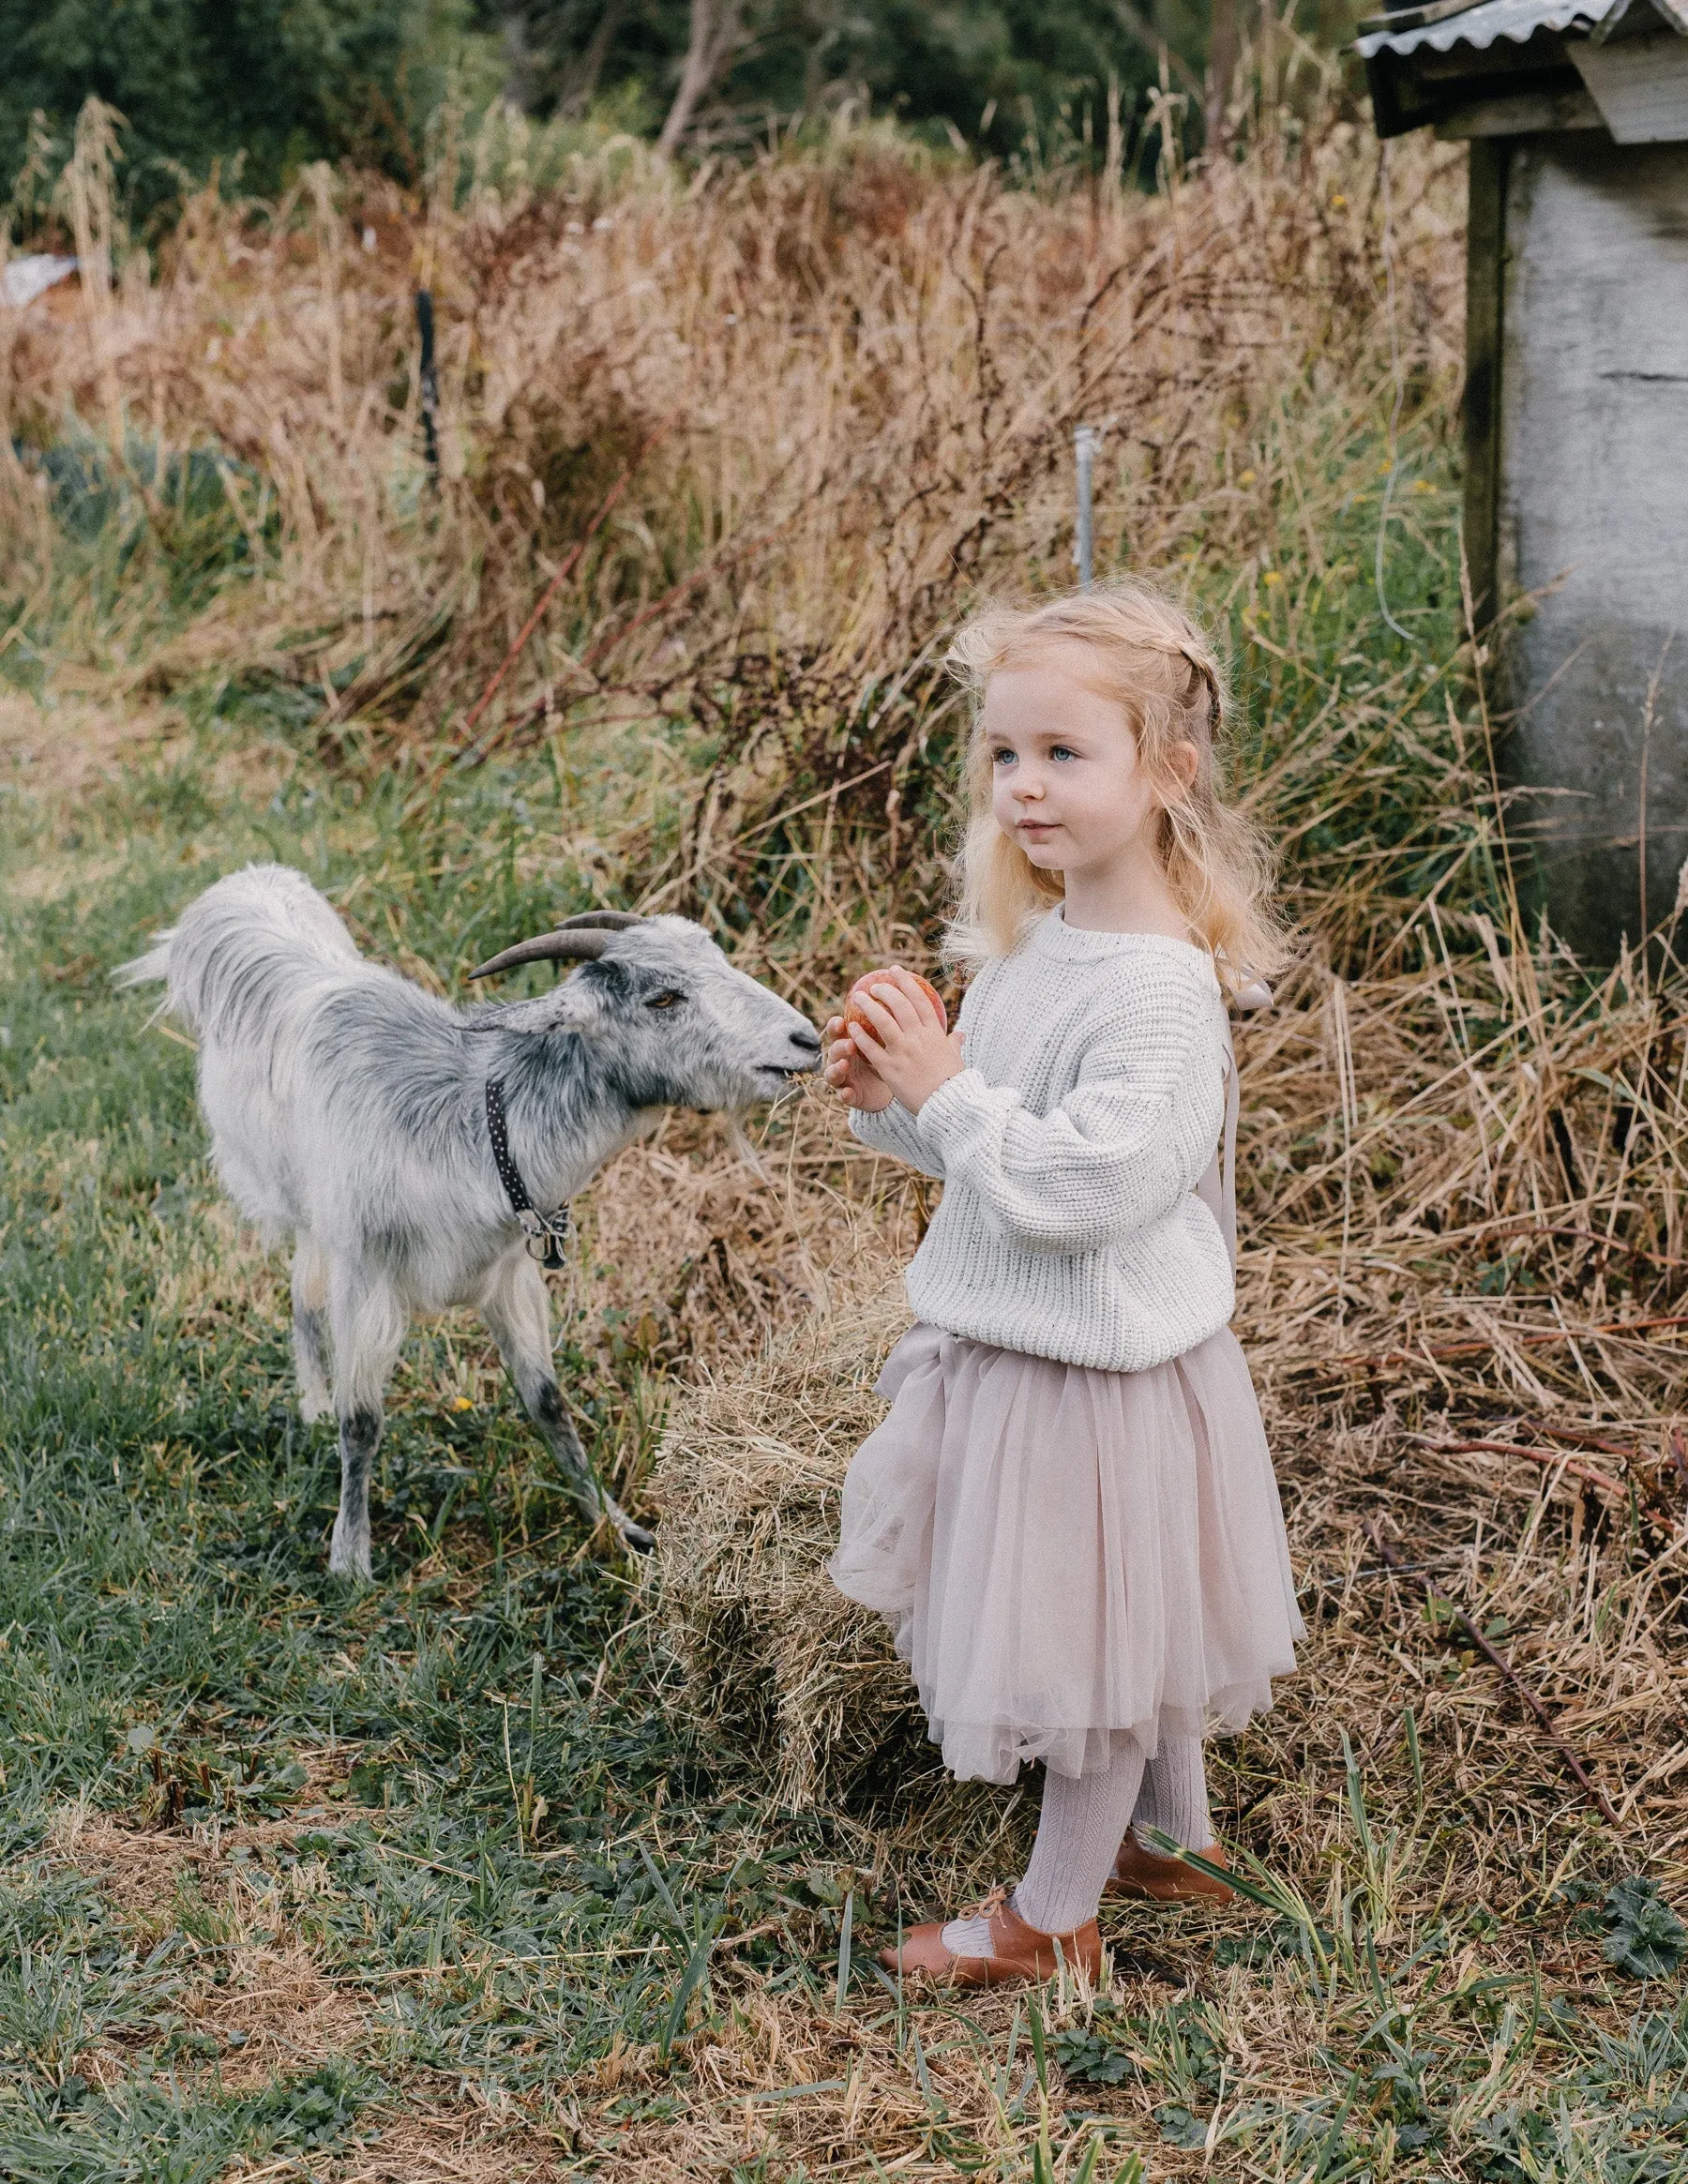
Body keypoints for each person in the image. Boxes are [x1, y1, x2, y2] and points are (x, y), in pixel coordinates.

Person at [821, 579, 1303, 1989]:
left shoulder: (1157, 989)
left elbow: (1082, 1193)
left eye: (1065, 754)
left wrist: (951, 1091)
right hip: (1034, 1352)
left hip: (1096, 1379)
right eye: (1005, 754)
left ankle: (1052, 1919)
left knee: (1094, 1664)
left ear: (1168, 775)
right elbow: (999, 1148)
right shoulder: (1039, 946)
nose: (1025, 787)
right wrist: (895, 1099)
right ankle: (1174, 1843)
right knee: (1129, 1621)